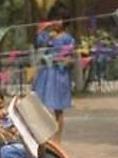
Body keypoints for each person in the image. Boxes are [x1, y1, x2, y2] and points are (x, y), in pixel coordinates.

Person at [33, 5, 76, 141]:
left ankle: (57, 140)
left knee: (58, 109)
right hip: (45, 74)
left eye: (59, 19)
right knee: (39, 105)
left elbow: (70, 58)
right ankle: (42, 137)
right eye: (54, 19)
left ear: (65, 21)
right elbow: (38, 43)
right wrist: (41, 31)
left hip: (59, 75)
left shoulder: (68, 38)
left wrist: (63, 60)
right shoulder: (47, 36)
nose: (56, 22)